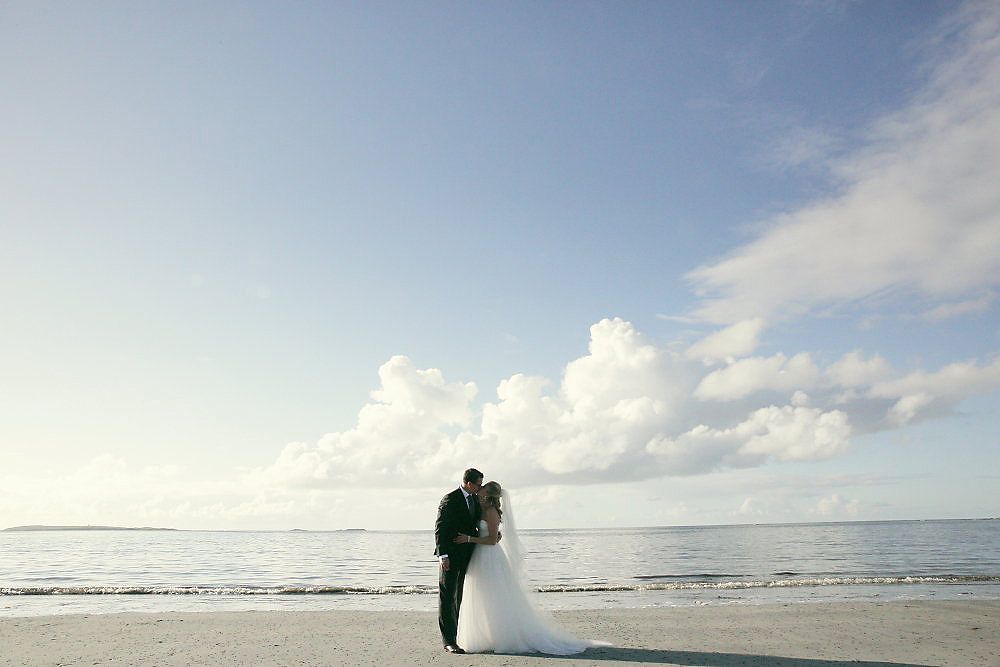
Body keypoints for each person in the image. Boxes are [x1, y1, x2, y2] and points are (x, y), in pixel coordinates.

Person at [452, 481, 609, 655]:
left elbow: (491, 540)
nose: (479, 488)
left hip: (490, 557)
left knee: (495, 597)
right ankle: (484, 635)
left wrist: (468, 539)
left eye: (483, 487)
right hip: (478, 557)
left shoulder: (491, 512)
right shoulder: (478, 504)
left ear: (487, 494)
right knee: (480, 595)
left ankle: (501, 636)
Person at [434, 468, 483, 654]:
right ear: (469, 483)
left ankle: (456, 635)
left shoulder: (474, 499)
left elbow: (475, 524)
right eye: (478, 484)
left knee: (459, 597)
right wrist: (442, 555)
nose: (480, 488)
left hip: (467, 556)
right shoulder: (450, 499)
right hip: (450, 555)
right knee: (447, 597)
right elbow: (440, 528)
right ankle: (448, 641)